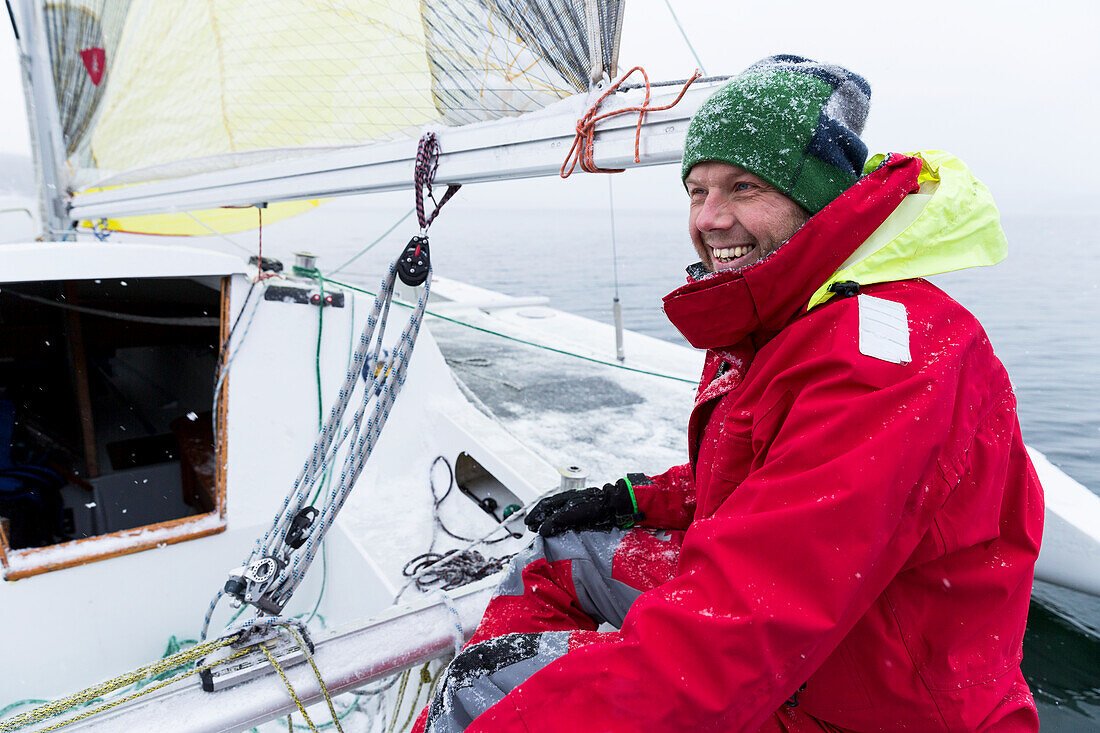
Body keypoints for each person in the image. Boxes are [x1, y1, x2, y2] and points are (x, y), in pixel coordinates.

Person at [414, 54, 1044, 732]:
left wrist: (528, 712)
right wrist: (634, 497)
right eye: (696, 190)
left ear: (816, 196)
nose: (710, 219)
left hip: (867, 704)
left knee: (483, 697)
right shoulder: (787, 310)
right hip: (819, 659)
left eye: (744, 187)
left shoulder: (884, 359)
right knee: (559, 556)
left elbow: (744, 622)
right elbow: (767, 479)